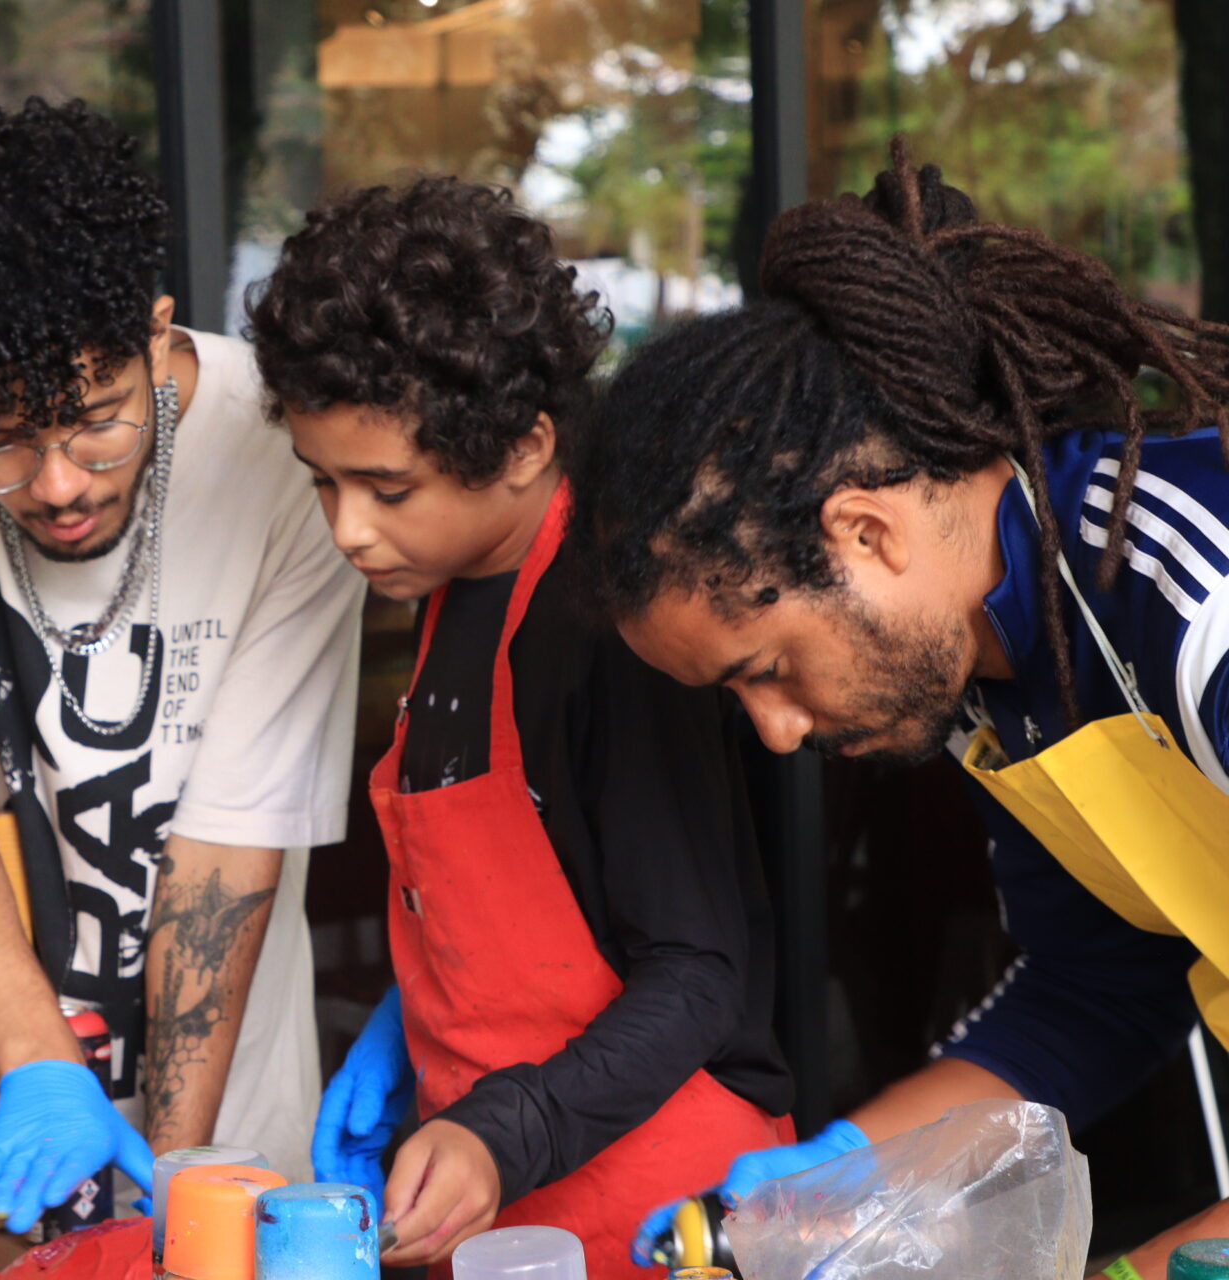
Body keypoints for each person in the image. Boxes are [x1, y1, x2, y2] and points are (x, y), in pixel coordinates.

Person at [573, 144, 1229, 1278]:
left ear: (866, 533)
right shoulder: (995, 665)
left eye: (765, 667)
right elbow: (1097, 989)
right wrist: (836, 1178)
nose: (778, 729)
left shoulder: (1194, 592)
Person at [0, 98, 364, 1229]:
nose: (56, 482)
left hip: (228, 1136)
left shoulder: (284, 448)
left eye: (97, 418)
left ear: (156, 337)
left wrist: (168, 1195)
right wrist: (38, 1064)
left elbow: (229, 850)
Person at [245, 176, 793, 1273]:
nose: (349, 529)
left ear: (527, 445)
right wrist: (406, 1027)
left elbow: (695, 972)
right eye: (323, 483)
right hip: (501, 1210)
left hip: (660, 1207)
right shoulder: (450, 587)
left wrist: (508, 1124)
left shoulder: (613, 623)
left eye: (387, 489)